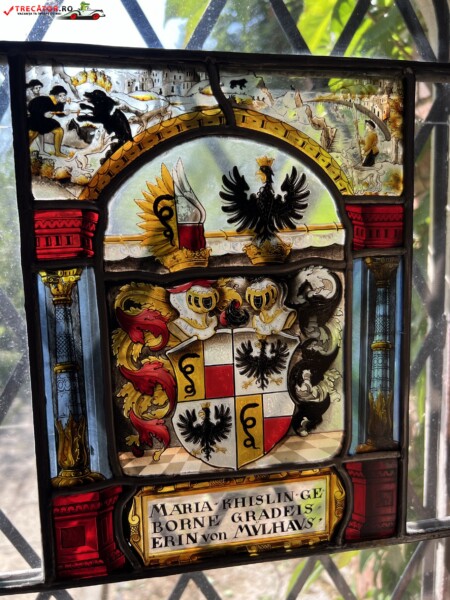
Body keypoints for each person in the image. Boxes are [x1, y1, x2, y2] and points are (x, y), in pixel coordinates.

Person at [28, 85, 70, 157]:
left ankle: (58, 152)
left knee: (59, 131)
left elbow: (58, 113)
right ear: (55, 96)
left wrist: (64, 113)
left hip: (46, 121)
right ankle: (23, 151)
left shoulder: (60, 103)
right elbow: (31, 107)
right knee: (33, 134)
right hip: (35, 119)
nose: (63, 97)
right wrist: (43, 113)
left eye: (64, 95)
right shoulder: (44, 100)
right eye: (60, 95)